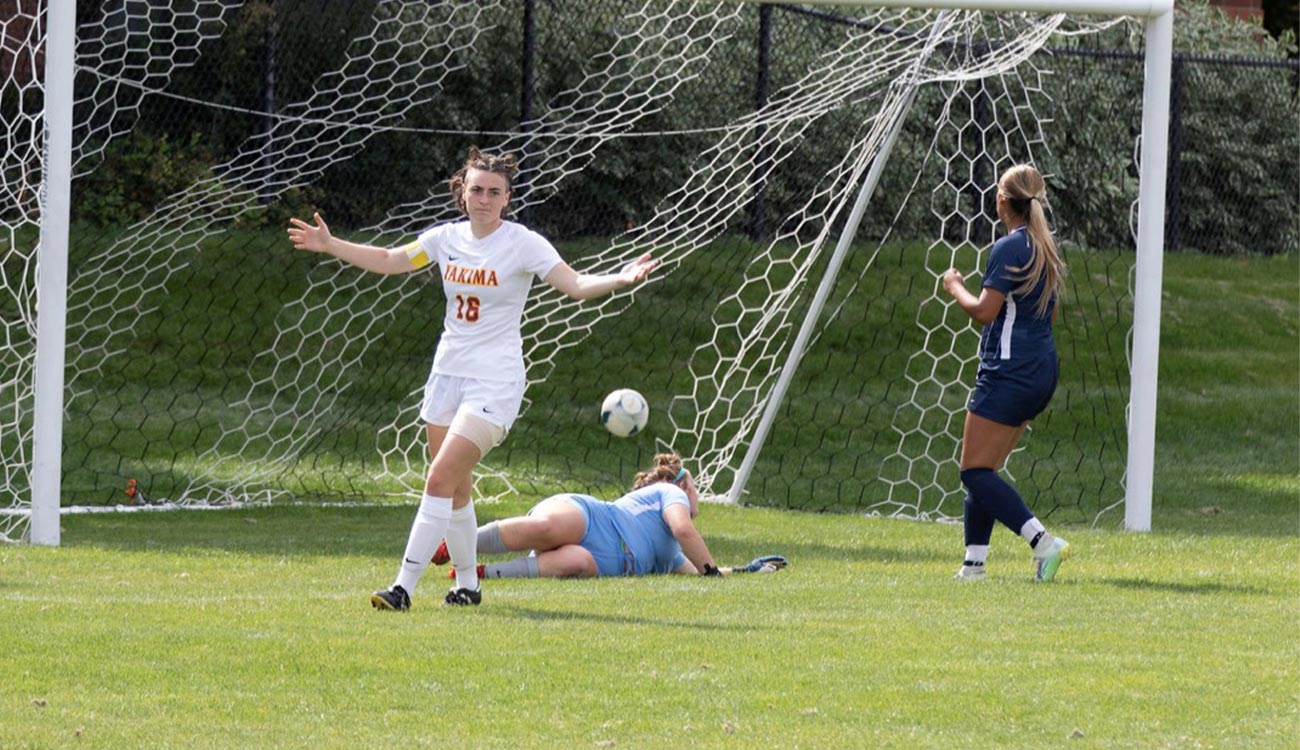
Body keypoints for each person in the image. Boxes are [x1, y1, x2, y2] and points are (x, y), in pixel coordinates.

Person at [287, 146, 657, 610]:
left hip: (494, 384)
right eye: (476, 189)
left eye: (494, 192)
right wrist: (331, 244)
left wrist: (620, 279)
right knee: (457, 489)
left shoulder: (523, 243)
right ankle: (467, 586)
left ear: (507, 198)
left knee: (439, 479)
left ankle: (402, 588)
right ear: (462, 191)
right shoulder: (445, 238)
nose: (484, 198)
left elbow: (575, 285)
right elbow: (389, 259)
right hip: (446, 376)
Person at [940, 164, 1071, 583]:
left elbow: (984, 311)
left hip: (1010, 372)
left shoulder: (1011, 248)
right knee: (984, 470)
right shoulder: (1045, 247)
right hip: (1040, 370)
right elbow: (1044, 319)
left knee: (973, 472)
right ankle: (973, 566)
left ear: (1001, 200)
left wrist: (954, 285)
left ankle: (1044, 543)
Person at [430, 453, 787, 578]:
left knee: (579, 562)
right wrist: (713, 575)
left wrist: (745, 569)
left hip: (598, 556)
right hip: (591, 517)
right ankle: (455, 544)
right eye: (693, 486)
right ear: (679, 486)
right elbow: (685, 531)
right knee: (550, 528)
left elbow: (694, 567)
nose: (696, 494)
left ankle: (483, 573)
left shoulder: (672, 555)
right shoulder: (668, 494)